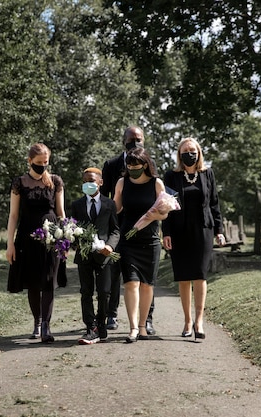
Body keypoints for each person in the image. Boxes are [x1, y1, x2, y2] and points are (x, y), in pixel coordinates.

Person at [162, 137, 225, 341]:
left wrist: (219, 229)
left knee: (199, 275)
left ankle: (199, 320)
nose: (190, 153)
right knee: (183, 276)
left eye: (193, 150)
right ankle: (187, 321)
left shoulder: (207, 174)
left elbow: (214, 203)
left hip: (203, 230)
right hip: (179, 231)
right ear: (180, 155)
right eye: (185, 150)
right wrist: (167, 232)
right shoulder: (171, 176)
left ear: (199, 153)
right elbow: (165, 206)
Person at [6, 143, 65, 343]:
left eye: (46, 163)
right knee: (32, 282)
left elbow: (61, 213)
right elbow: (13, 215)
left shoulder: (55, 182)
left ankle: (47, 326)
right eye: (38, 163)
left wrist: (65, 238)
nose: (42, 166)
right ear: (29, 161)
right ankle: (37, 322)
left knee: (49, 281)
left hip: (51, 238)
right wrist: (10, 244)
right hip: (26, 238)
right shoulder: (19, 183)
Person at [101, 125, 157, 335]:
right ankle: (111, 314)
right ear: (123, 141)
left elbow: (157, 196)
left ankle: (147, 319)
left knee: (146, 281)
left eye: (139, 139)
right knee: (116, 274)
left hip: (146, 228)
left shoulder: (149, 163)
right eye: (132, 139)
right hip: (119, 229)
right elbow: (106, 199)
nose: (135, 143)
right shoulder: (112, 165)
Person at [113, 147, 167, 343]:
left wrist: (156, 215)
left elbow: (165, 213)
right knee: (131, 283)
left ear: (145, 165)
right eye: (129, 165)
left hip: (151, 240)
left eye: (135, 165)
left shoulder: (156, 183)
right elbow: (116, 208)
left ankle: (143, 326)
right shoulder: (122, 182)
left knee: (146, 285)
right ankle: (133, 327)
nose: (132, 168)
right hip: (127, 240)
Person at [71, 168, 120, 345]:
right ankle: (90, 327)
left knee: (104, 292)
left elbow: (115, 229)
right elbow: (72, 228)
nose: (88, 184)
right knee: (86, 291)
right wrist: (75, 242)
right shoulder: (77, 205)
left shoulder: (109, 204)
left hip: (104, 256)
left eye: (91, 181)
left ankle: (102, 323)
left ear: (100, 182)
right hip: (84, 256)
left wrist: (110, 246)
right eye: (84, 181)